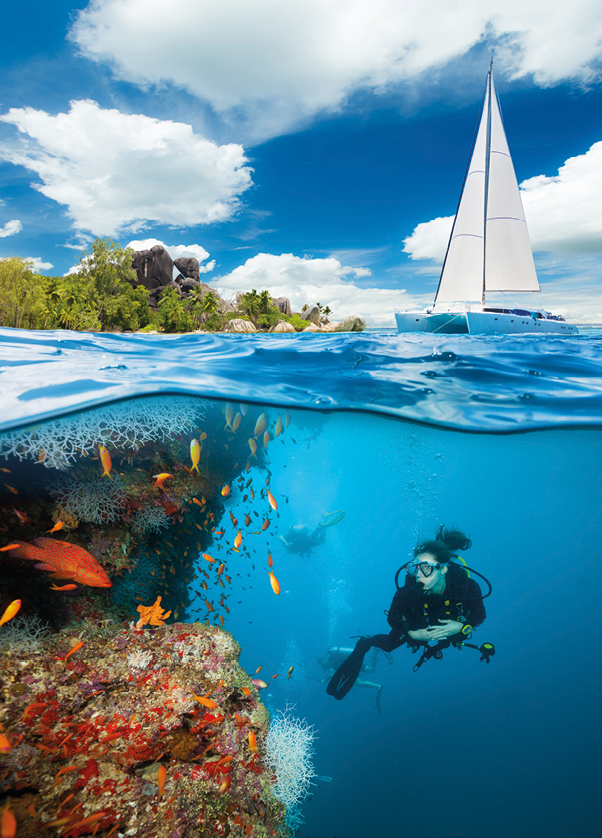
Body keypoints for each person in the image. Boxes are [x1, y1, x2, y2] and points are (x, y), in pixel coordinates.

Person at [327, 526, 487, 701]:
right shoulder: (409, 589)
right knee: (388, 645)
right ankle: (365, 641)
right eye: (415, 567)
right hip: (416, 627)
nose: (419, 575)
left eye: (426, 568)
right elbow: (393, 617)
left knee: (451, 639)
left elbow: (479, 616)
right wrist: (412, 632)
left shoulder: (466, 587)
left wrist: (462, 626)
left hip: (449, 628)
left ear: (443, 569)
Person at [318, 646, 393, 713]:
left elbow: (331, 674)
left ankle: (378, 686)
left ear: (322, 661)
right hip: (354, 662)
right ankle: (376, 652)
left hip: (351, 667)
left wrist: (324, 681)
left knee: (359, 683)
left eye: (322, 665)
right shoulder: (333, 658)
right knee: (371, 670)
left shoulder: (329, 662)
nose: (323, 666)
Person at [279, 510, 345, 556]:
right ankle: (325, 519)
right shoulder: (290, 537)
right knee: (322, 540)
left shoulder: (287, 536)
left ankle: (319, 528)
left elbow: (280, 537)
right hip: (307, 544)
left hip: (305, 542)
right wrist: (309, 552)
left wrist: (286, 544)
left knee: (312, 540)